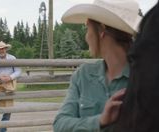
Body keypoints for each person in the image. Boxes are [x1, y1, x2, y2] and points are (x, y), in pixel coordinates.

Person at [53, 0, 141, 131]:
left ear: (102, 29)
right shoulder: (83, 75)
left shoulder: (143, 79)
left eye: (87, 27)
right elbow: (60, 125)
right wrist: (100, 120)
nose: (86, 36)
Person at [0, 41, 21, 132]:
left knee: (7, 111)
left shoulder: (12, 58)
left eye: (2, 49)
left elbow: (18, 71)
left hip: (9, 86)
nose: (1, 51)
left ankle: (2, 130)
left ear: (5, 49)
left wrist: (10, 77)